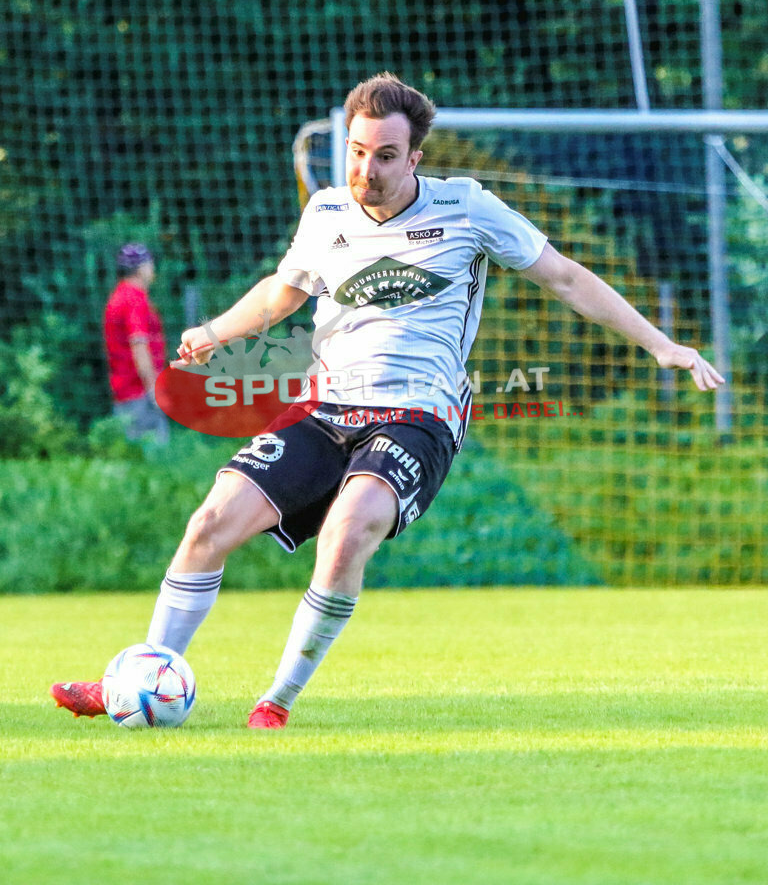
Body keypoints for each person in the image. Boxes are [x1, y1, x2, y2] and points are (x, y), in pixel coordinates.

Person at [51, 73, 724, 728]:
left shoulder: (466, 207)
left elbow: (567, 278)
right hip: (326, 408)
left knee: (347, 536)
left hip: (419, 414)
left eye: (386, 156)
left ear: (416, 158)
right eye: (357, 150)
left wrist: (661, 345)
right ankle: (138, 678)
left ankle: (276, 702)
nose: (367, 169)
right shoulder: (327, 211)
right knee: (207, 526)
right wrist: (214, 331)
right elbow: (285, 290)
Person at [103, 243, 169, 447]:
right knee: (155, 459)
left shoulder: (120, 295)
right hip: (139, 391)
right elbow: (139, 346)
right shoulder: (134, 299)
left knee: (134, 457)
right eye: (150, 264)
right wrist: (153, 389)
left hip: (125, 390)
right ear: (142, 268)